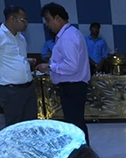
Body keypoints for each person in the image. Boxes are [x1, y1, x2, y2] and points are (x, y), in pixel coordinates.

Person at [36, 3, 91, 144]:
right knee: (75, 123)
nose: (47, 24)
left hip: (72, 86)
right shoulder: (69, 34)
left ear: (58, 18)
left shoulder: (68, 37)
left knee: (75, 124)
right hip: (73, 85)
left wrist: (50, 67)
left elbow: (71, 66)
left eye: (48, 20)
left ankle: (82, 153)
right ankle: (82, 153)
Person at [0, 5, 37, 127]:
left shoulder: (21, 38)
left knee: (31, 124)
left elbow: (17, 59)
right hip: (11, 91)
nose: (26, 23)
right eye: (24, 20)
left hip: (28, 88)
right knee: (15, 126)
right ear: (12, 19)